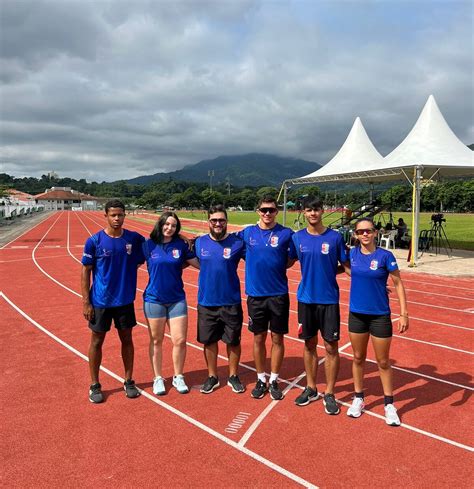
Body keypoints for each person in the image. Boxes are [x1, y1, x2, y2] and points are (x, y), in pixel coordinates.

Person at [346, 217, 409, 426]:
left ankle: (389, 404)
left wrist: (404, 313)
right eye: (360, 231)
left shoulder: (385, 256)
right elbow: (347, 269)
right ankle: (358, 398)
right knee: (357, 357)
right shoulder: (351, 254)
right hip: (357, 314)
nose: (364, 234)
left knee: (382, 361)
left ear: (375, 233)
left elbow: (398, 283)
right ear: (355, 234)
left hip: (380, 315)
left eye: (368, 231)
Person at [81, 199, 145, 403]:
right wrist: (86, 302)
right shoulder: (94, 241)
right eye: (113, 215)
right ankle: (94, 384)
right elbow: (85, 272)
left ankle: (128, 380)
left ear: (125, 215)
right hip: (100, 302)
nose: (117, 218)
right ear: (106, 216)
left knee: (127, 340)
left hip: (125, 300)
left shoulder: (134, 239)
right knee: (97, 341)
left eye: (120, 214)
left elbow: (158, 240)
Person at [291, 198, 350, 413]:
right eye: (309, 209)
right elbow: (285, 261)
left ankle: (331, 393)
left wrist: (375, 281)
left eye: (316, 209)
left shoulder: (335, 238)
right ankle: (311, 387)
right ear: (304, 212)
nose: (313, 213)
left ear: (322, 211)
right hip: (305, 300)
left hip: (329, 301)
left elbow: (347, 266)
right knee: (308, 345)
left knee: (330, 347)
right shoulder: (297, 238)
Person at [238, 196, 296, 401]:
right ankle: (260, 378)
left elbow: (292, 258)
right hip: (255, 296)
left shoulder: (286, 233)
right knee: (258, 338)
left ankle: (274, 379)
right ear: (258, 211)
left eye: (271, 210)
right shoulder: (246, 233)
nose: (267, 214)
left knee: (277, 338)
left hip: (278, 294)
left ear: (277, 211)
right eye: (264, 210)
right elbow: (222, 240)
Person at [142, 212, 199, 396]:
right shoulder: (148, 245)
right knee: (156, 340)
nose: (169, 228)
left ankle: (178, 376)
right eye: (166, 224)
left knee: (180, 340)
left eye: (173, 226)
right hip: (154, 299)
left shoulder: (181, 245)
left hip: (176, 299)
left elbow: (197, 263)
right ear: (160, 224)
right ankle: (158, 378)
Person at [195, 204, 246, 394]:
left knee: (233, 341)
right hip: (207, 302)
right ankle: (212, 376)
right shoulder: (199, 243)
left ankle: (233, 375)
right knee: (209, 341)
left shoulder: (237, 243)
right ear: (208, 221)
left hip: (231, 301)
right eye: (214, 220)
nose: (218, 223)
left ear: (226, 222)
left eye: (221, 220)